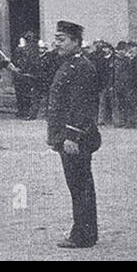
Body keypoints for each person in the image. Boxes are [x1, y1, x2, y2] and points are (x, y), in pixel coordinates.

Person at [47, 20, 101, 249]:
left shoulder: (81, 68)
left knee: (80, 186)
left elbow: (82, 106)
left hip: (76, 139)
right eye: (56, 38)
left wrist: (72, 136)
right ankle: (83, 230)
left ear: (76, 42)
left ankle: (83, 235)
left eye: (62, 39)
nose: (56, 43)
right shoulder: (69, 64)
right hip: (67, 137)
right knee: (78, 185)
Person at [12, 35, 38, 119]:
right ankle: (22, 111)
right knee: (20, 95)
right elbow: (15, 61)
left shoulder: (31, 51)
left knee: (26, 95)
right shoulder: (19, 50)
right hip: (20, 76)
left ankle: (25, 112)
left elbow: (30, 62)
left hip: (27, 76)